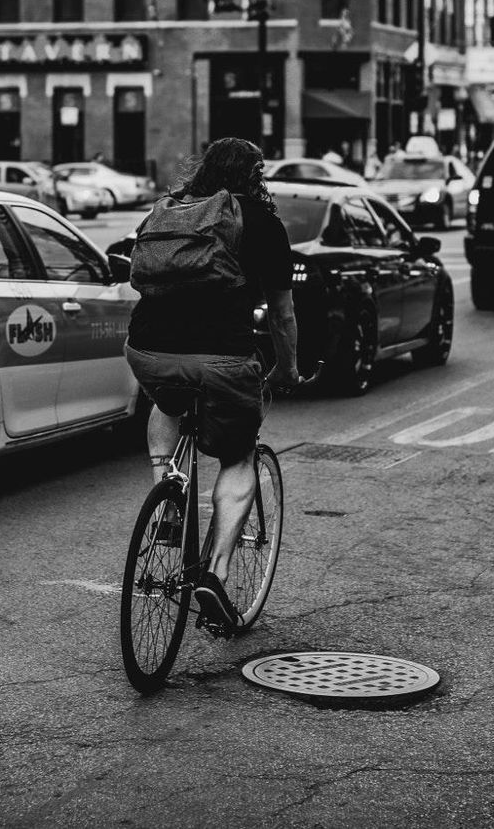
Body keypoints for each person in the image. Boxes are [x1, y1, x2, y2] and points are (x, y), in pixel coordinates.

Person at [123, 138, 301, 629]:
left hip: (146, 350)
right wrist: (287, 369)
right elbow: (283, 314)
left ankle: (167, 493)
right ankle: (215, 576)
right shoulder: (261, 221)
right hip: (222, 356)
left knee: (167, 399)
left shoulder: (171, 209)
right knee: (238, 454)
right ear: (255, 175)